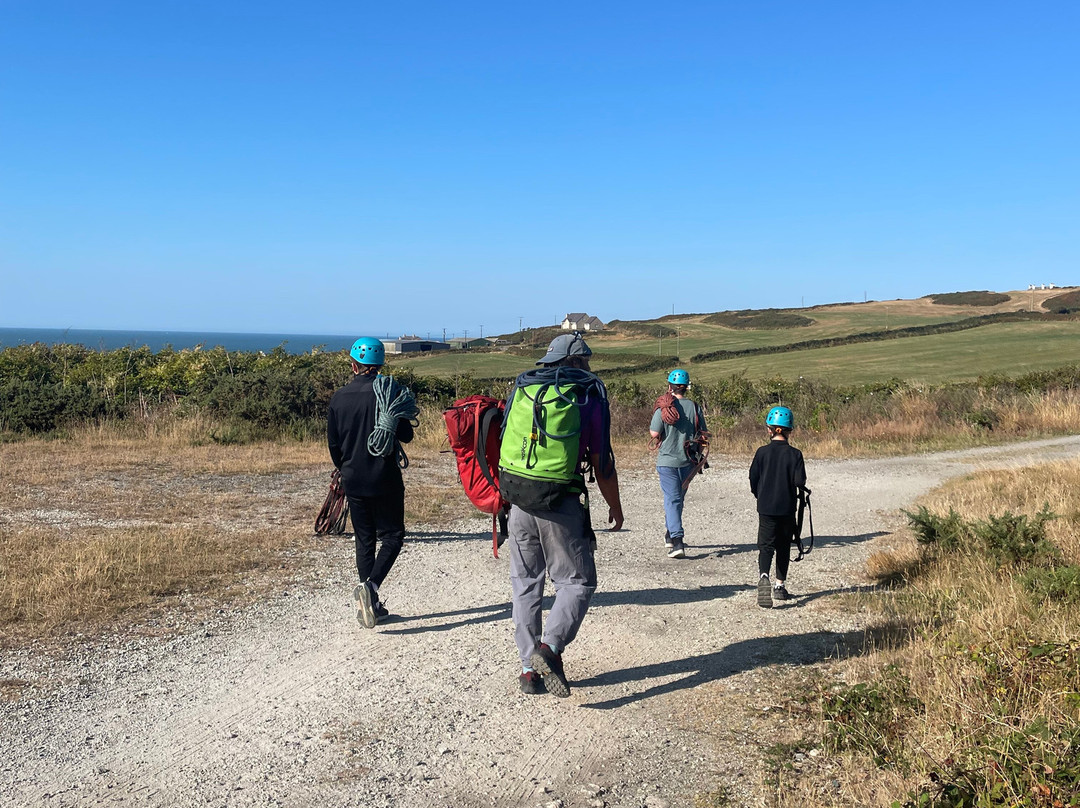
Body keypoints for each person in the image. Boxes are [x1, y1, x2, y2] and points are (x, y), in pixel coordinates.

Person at [499, 332, 624, 697]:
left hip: (519, 501)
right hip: (560, 501)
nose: (589, 367)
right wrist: (614, 506)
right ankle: (549, 649)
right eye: (585, 361)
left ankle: (528, 671)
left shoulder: (524, 389)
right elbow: (602, 463)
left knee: (525, 583)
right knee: (578, 582)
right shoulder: (587, 395)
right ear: (576, 363)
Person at [327, 336, 416, 628]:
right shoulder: (388, 393)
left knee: (364, 540)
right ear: (379, 365)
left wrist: (347, 468)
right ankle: (372, 588)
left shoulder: (338, 397)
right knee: (392, 535)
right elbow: (406, 435)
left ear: (354, 365)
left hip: (353, 477)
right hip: (384, 476)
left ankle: (372, 605)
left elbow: (334, 446)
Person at [749, 406, 807, 608]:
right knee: (783, 546)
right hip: (787, 507)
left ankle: (763, 575)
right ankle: (779, 587)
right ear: (790, 430)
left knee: (766, 546)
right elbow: (800, 482)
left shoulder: (761, 452)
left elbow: (753, 478)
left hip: (765, 507)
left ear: (769, 429)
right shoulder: (795, 454)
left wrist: (759, 494)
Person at [649, 368, 707, 559]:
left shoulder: (664, 407)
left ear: (669, 386)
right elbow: (703, 433)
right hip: (688, 461)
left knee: (672, 500)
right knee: (677, 499)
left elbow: (654, 434)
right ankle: (670, 534)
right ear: (686, 388)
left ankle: (677, 540)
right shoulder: (695, 407)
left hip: (667, 460)